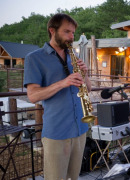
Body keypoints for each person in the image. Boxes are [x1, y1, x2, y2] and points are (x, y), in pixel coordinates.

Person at [23, 13, 91, 180]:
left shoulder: (73, 56)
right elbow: (33, 96)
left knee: (73, 177)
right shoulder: (35, 58)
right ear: (52, 31)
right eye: (67, 32)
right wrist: (63, 82)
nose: (71, 37)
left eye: (73, 33)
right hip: (57, 132)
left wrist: (86, 74)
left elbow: (88, 89)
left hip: (80, 128)